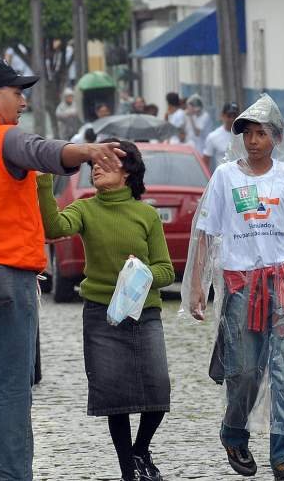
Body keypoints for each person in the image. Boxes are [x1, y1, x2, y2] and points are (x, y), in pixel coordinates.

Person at [0, 59, 125, 480]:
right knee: (11, 387)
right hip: (3, 275)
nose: (23, 101)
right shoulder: (2, 138)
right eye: (18, 92)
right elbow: (44, 152)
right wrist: (89, 150)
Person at [184, 94, 284, 481]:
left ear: (276, 138)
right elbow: (205, 234)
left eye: (261, 133)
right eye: (247, 133)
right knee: (245, 371)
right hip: (239, 285)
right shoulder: (225, 177)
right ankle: (234, 432)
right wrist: (198, 286)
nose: (252, 141)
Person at [37, 139, 175, 481]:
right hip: (102, 316)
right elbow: (54, 229)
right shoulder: (85, 209)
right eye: (93, 164)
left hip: (145, 314)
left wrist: (141, 274)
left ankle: (141, 449)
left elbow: (166, 270)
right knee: (116, 398)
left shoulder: (146, 214)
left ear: (128, 171)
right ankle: (128, 469)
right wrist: (42, 180)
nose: (96, 167)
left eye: (106, 162)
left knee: (157, 391)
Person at [202, 102, 238, 170]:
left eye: (234, 116)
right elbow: (205, 161)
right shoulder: (213, 136)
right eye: (229, 116)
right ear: (222, 116)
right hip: (223, 179)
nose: (232, 119)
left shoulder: (244, 135)